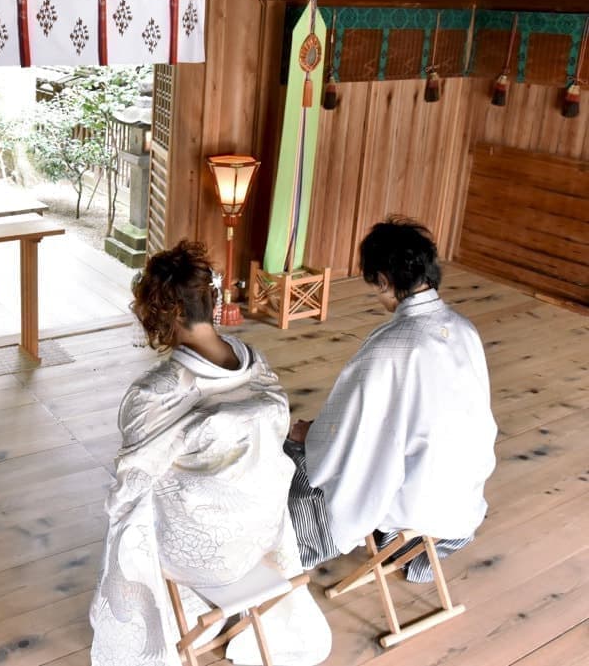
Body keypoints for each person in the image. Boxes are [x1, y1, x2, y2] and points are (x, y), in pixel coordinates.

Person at [90, 241, 331, 666]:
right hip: (261, 538)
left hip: (204, 554)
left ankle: (148, 632)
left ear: (168, 312)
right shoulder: (259, 368)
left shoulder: (152, 393)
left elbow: (131, 486)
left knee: (128, 513)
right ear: (210, 301)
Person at [285, 217, 498, 582]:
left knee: (296, 458)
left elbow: (349, 432)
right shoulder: (465, 328)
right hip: (462, 498)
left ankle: (290, 544)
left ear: (384, 280)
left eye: (375, 284)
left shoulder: (390, 347)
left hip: (417, 500)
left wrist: (312, 436)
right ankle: (412, 550)